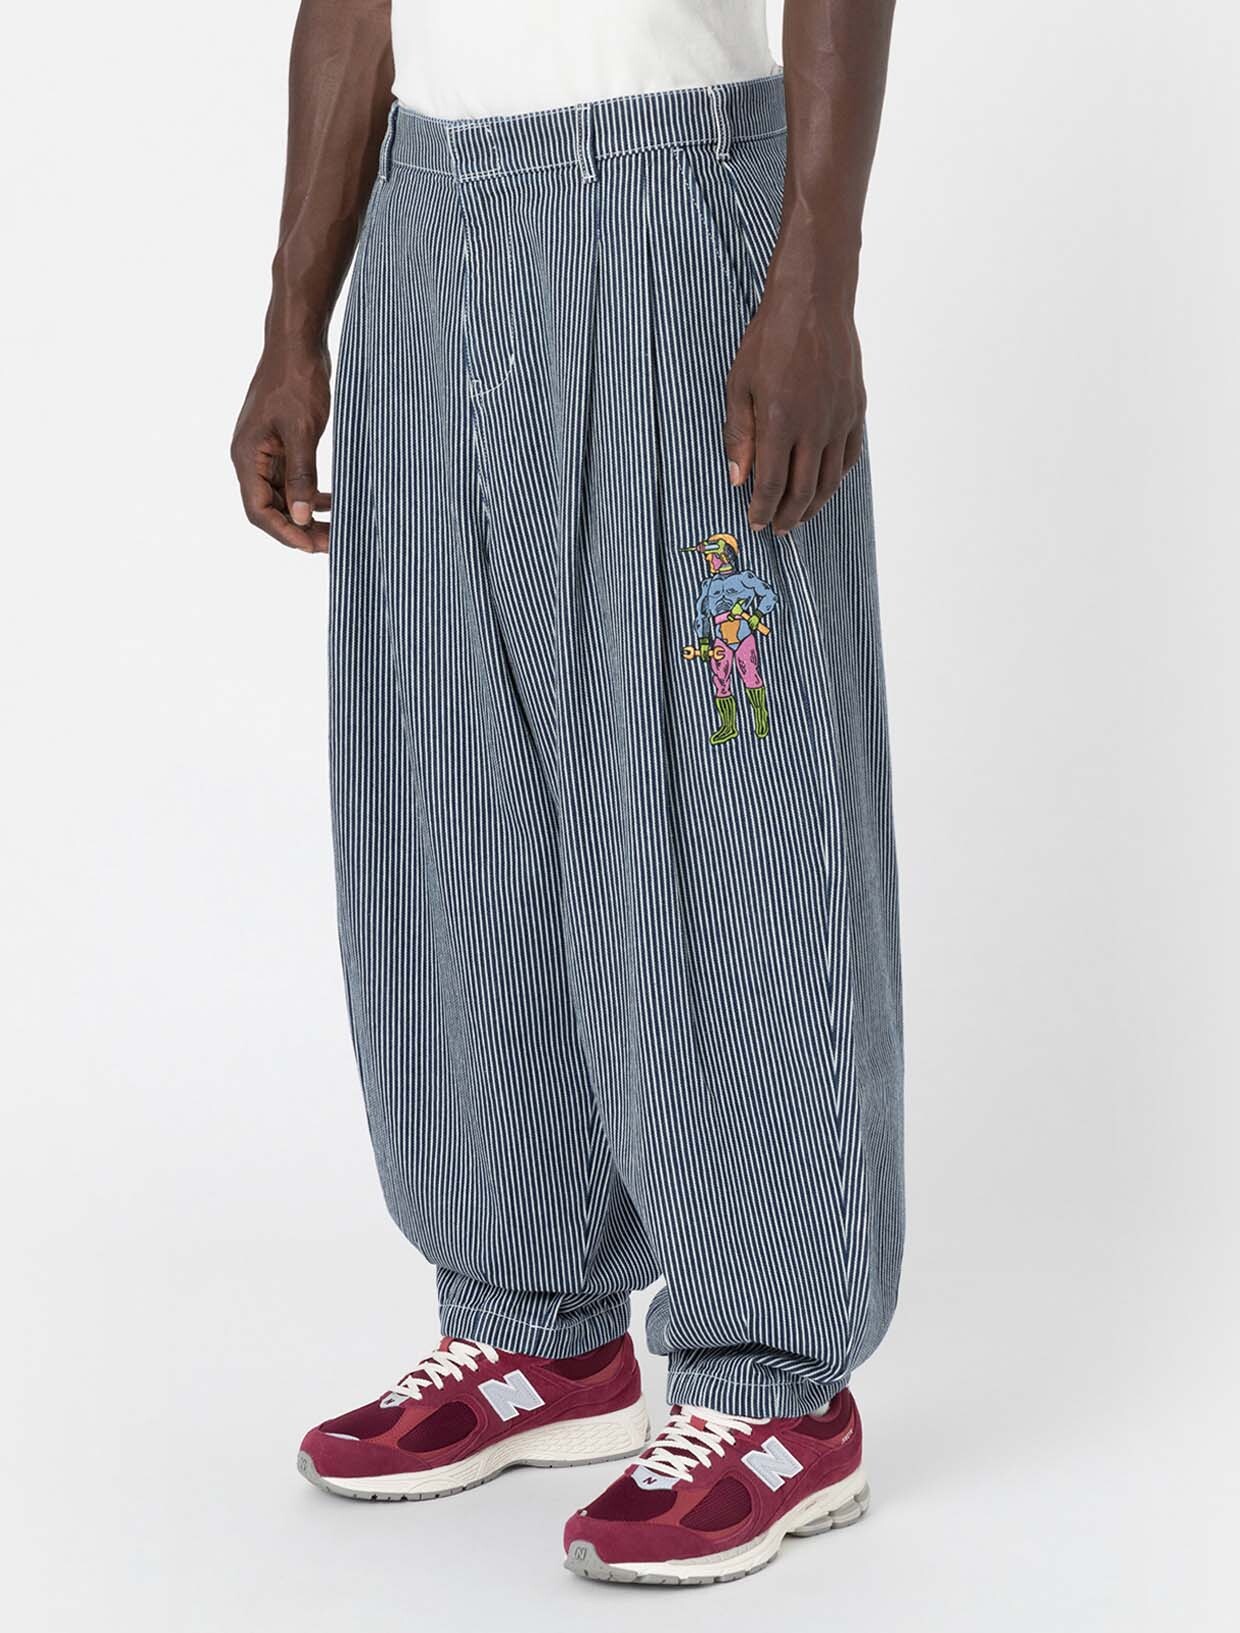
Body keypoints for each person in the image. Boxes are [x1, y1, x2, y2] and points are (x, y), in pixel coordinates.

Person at [232, 0, 902, 1588]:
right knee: (454, 797)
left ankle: (777, 1383)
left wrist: (815, 278)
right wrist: (293, 320)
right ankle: (536, 1323)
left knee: (721, 805)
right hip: (426, 228)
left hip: (673, 210)